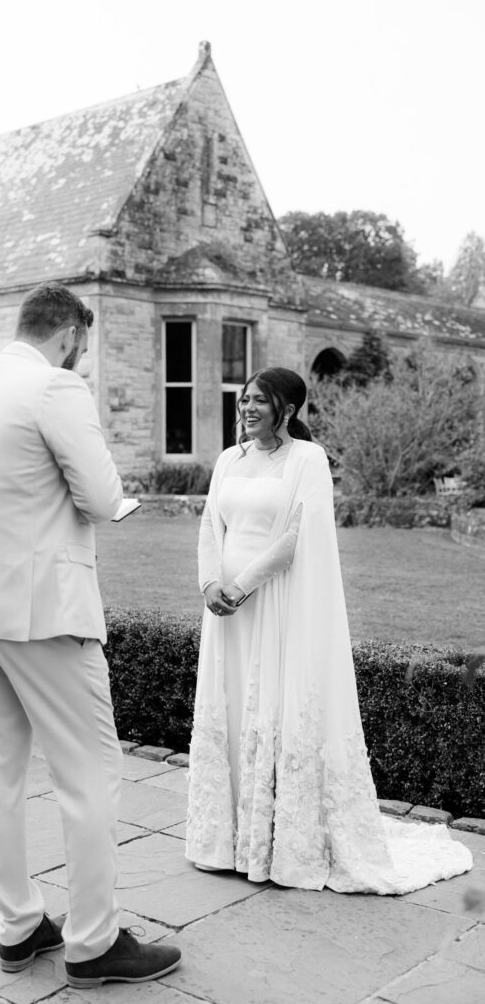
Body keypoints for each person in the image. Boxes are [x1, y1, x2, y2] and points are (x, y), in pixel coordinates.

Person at [0, 283, 181, 987]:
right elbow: (102, 499)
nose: (82, 356)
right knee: (91, 771)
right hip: (41, 610)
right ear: (69, 333)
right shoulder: (55, 386)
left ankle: (17, 926)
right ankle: (94, 942)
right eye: (83, 344)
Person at [186, 367, 472, 894]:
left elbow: (296, 538)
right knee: (231, 708)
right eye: (245, 399)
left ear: (288, 409)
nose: (247, 408)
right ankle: (226, 839)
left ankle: (276, 840)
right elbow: (210, 524)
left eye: (260, 401)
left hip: (273, 604)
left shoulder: (308, 459)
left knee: (274, 707)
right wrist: (209, 583)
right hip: (223, 611)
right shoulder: (228, 460)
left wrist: (240, 587)